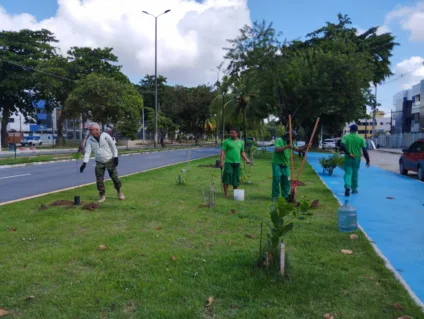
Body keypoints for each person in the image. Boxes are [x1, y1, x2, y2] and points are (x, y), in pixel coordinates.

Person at [80, 123, 125, 202]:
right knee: (99, 180)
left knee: (115, 178)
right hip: (99, 162)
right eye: (89, 130)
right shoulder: (90, 139)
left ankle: (119, 192)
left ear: (97, 130)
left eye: (91, 130)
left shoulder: (106, 136)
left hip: (109, 160)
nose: (89, 131)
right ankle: (102, 195)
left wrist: (116, 157)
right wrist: (84, 163)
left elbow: (113, 147)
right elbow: (87, 152)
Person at [272, 131, 308, 201]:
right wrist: (287, 146)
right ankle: (275, 196)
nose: (294, 140)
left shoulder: (291, 143)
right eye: (293, 138)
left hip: (286, 165)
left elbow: (298, 150)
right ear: (289, 137)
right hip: (277, 164)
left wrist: (306, 147)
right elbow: (277, 149)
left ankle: (285, 196)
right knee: (276, 180)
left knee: (286, 181)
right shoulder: (279, 140)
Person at [340, 124, 370, 197]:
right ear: (357, 130)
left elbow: (342, 146)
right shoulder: (360, 138)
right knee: (355, 173)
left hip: (348, 158)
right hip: (357, 159)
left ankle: (347, 187)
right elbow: (364, 150)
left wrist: (348, 153)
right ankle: (354, 189)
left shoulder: (346, 137)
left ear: (350, 130)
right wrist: (367, 160)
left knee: (348, 173)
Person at [220, 128, 251, 198]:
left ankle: (236, 195)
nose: (231, 134)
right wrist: (221, 162)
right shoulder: (226, 142)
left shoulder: (241, 142)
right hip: (228, 163)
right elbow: (222, 152)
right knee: (227, 178)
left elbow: (242, 152)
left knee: (236, 179)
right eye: (230, 133)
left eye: (233, 133)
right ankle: (226, 194)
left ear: (237, 134)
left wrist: (246, 159)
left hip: (237, 163)